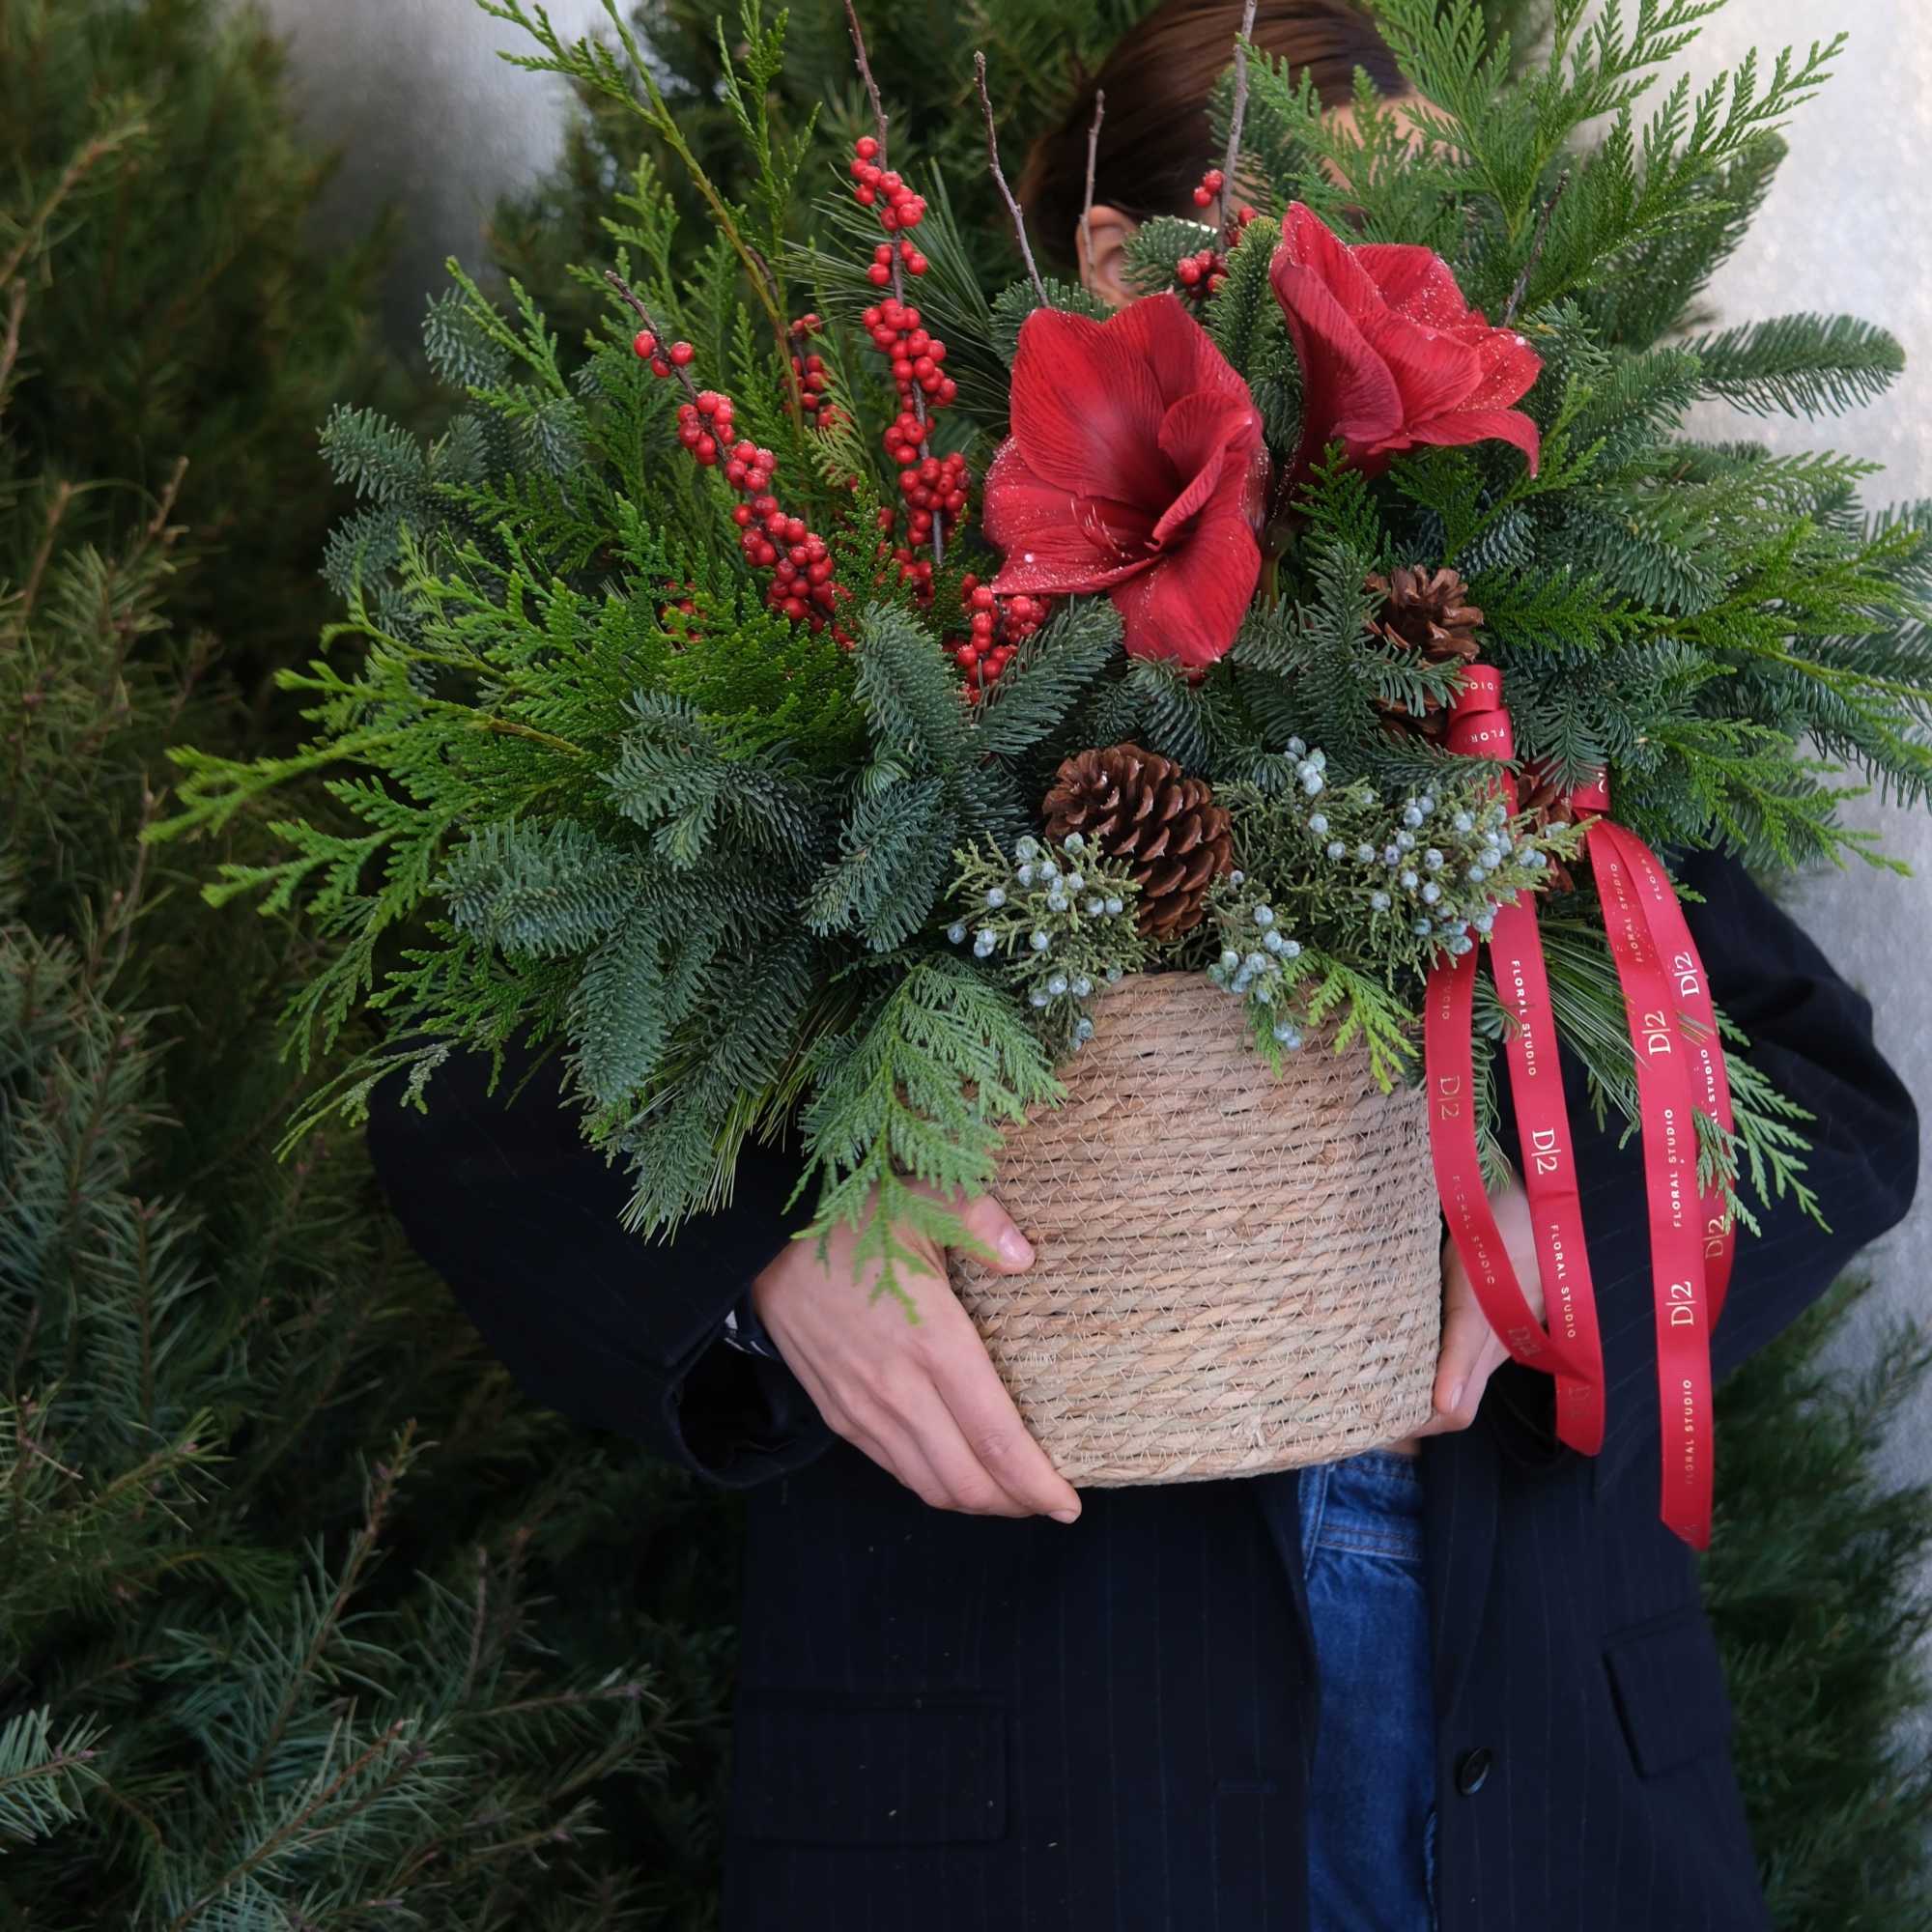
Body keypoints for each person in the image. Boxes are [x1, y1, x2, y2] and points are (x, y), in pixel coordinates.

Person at [365, 5, 1921, 1927]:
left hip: (1545, 1820)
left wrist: (1563, 1269)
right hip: (1014, 1811)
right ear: (1114, 262)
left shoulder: (1526, 659)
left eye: (1414, 261)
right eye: (1307, 256)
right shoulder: (872, 609)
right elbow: (453, 1068)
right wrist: (771, 1277)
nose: (1359, 328)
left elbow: (1823, 1102)